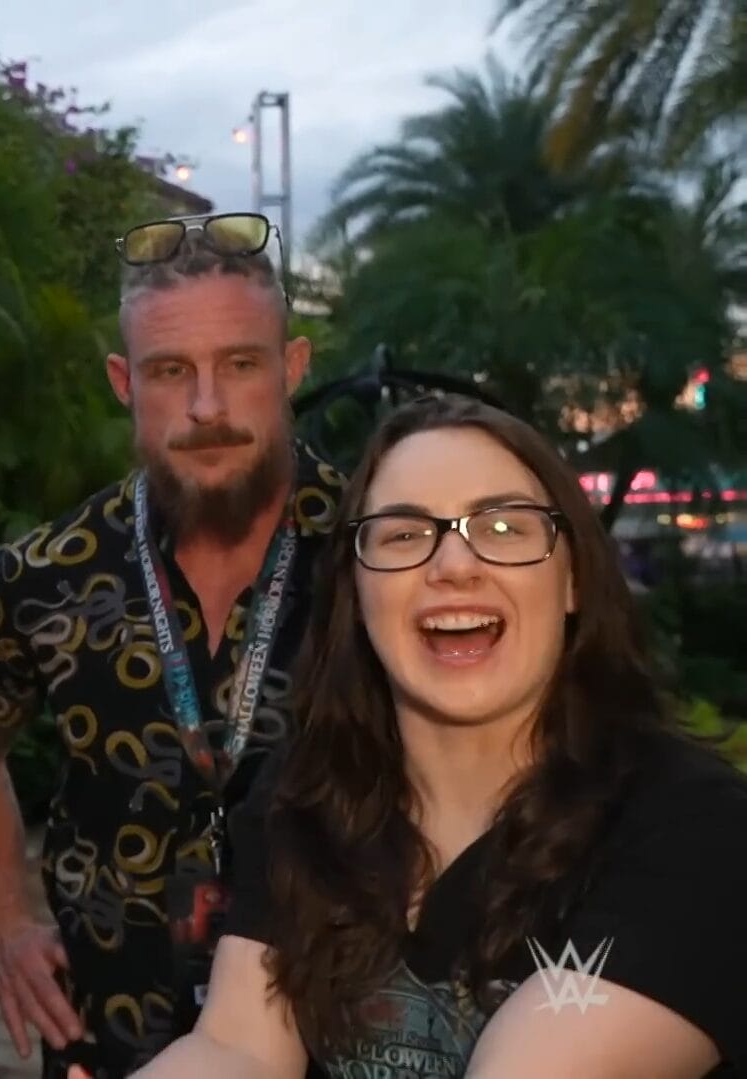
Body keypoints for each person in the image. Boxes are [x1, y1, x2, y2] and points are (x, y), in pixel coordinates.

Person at [134, 395, 747, 1078]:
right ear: (355, 592)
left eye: (504, 526)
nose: (453, 564)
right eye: (401, 534)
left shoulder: (693, 825)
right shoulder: (308, 793)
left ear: (571, 577)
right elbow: (237, 1046)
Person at [0, 214, 347, 1077]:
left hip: (343, 1040)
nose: (206, 407)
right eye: (170, 372)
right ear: (125, 381)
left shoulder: (380, 556)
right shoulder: (40, 575)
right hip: (107, 1043)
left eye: (239, 364)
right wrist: (4, 924)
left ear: (292, 368)